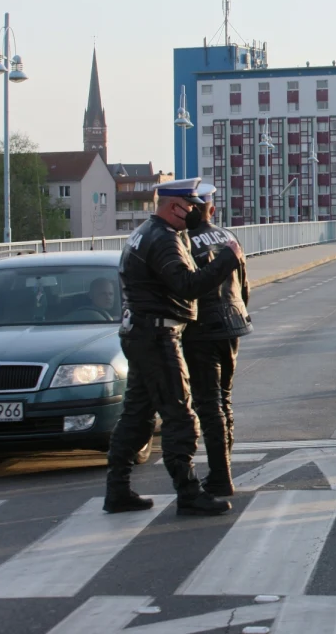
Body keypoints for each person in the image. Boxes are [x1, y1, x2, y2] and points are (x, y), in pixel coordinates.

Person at [105, 178, 244, 516]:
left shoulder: (146, 233)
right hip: (157, 335)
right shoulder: (163, 240)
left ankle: (117, 488)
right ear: (174, 206)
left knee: (137, 414)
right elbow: (186, 285)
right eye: (192, 205)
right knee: (180, 415)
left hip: (141, 333)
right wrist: (228, 259)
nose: (197, 211)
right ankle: (188, 491)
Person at [182, 183, 252, 497]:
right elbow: (244, 287)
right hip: (232, 326)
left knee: (208, 405)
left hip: (201, 329)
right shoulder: (229, 236)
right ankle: (224, 466)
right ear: (212, 208)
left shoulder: (184, 241)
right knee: (224, 399)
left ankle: (220, 475)